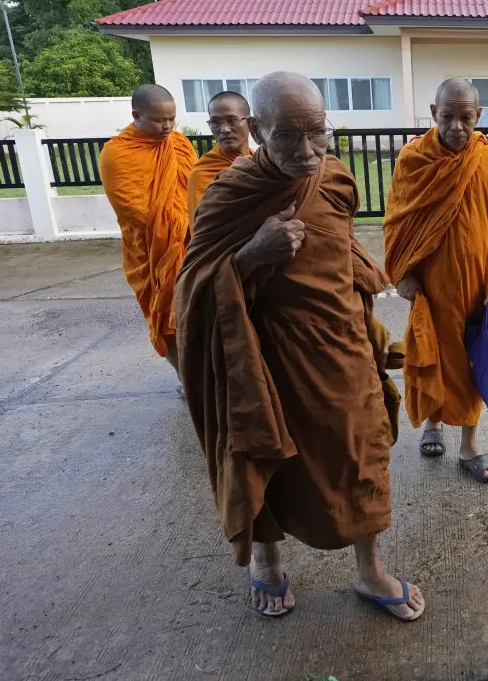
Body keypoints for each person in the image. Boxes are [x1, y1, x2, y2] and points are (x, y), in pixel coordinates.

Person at [173, 71, 421, 622]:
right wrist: (249, 257)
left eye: (317, 132)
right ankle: (268, 556)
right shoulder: (231, 195)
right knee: (264, 453)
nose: (306, 150)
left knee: (361, 455)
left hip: (341, 347)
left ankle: (370, 568)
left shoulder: (333, 176)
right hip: (269, 359)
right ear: (257, 131)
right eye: (287, 135)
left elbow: (342, 244)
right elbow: (191, 291)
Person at [383, 78, 488, 483]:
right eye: (448, 116)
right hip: (431, 290)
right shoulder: (413, 160)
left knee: (475, 363)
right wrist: (403, 275)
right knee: (430, 357)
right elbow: (396, 224)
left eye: (466, 117)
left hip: (478, 289)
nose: (457, 126)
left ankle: (469, 444)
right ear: (433, 113)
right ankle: (432, 424)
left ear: (478, 116)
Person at [99, 84, 196, 373]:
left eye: (171, 119)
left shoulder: (179, 143)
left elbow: (195, 189)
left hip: (193, 246)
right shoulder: (118, 153)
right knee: (167, 318)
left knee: (200, 314)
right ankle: (185, 377)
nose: (167, 126)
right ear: (136, 115)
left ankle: (203, 374)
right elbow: (135, 211)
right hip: (152, 253)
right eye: (159, 120)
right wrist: (184, 225)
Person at [187, 90, 253, 222]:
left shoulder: (260, 163)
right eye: (215, 122)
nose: (224, 129)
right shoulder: (203, 172)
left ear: (251, 123)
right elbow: (205, 226)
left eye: (232, 120)